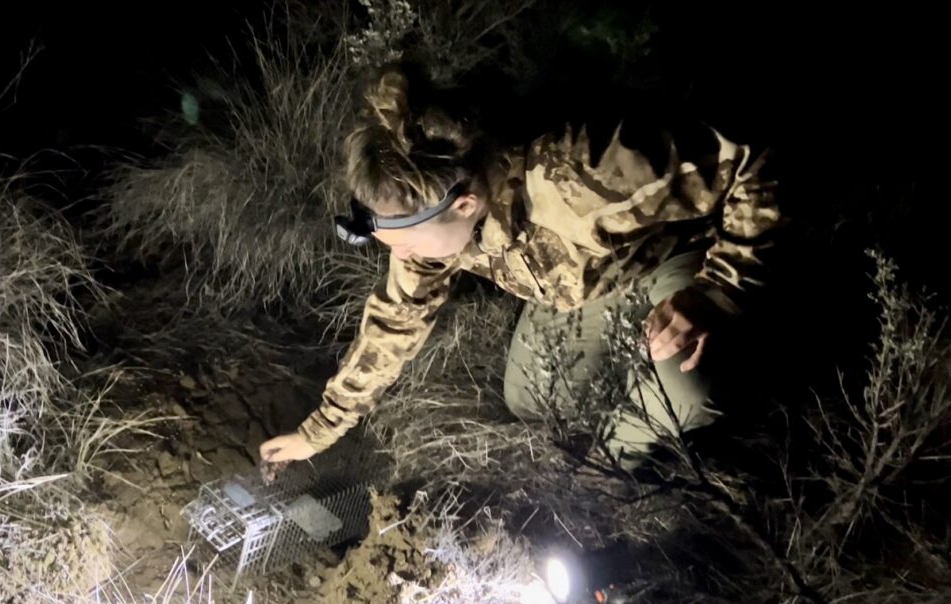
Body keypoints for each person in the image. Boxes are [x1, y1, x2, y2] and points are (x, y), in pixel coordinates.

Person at [258, 63, 785, 471]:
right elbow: (394, 324)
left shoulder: (583, 175)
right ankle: (626, 380)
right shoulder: (427, 227)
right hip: (586, 289)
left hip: (668, 265)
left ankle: (610, 471)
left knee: (689, 390)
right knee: (530, 399)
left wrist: (719, 290)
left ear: (463, 204)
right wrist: (318, 432)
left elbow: (751, 159)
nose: (400, 257)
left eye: (404, 241)